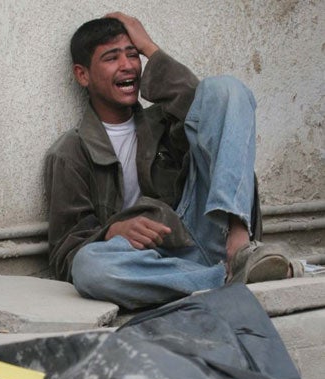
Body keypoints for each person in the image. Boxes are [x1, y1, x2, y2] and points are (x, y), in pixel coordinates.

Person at [44, 12, 302, 310]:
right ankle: (229, 277)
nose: (128, 65)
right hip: (155, 264)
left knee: (225, 88)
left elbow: (209, 110)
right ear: (82, 74)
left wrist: (151, 49)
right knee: (90, 267)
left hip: (210, 231)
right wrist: (112, 231)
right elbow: (66, 255)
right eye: (112, 57)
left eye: (132, 54)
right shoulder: (70, 152)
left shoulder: (164, 120)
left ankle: (241, 247)